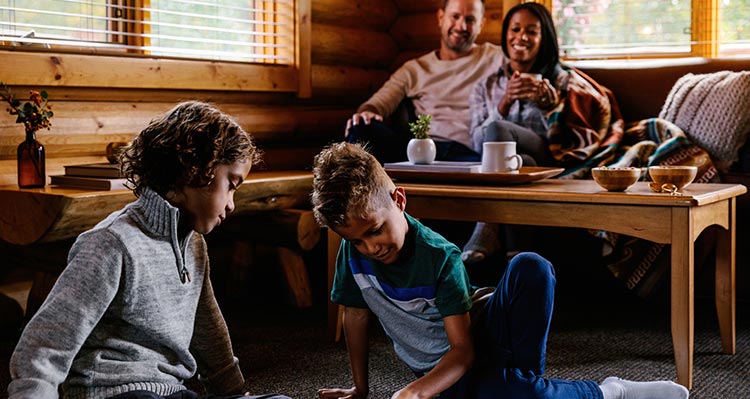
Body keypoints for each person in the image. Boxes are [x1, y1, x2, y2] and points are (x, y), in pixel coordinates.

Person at [311, 142, 689, 399]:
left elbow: (462, 350)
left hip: (471, 344)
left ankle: (526, 384)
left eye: (375, 231)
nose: (370, 247)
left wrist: (418, 391)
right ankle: (611, 392)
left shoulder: (439, 255)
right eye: (357, 240)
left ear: (399, 199)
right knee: (513, 392)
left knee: (531, 266)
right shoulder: (352, 253)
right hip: (449, 374)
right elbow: (356, 316)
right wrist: (360, 390)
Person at [8, 101, 290, 399]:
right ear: (194, 172)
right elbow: (44, 345)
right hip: (114, 393)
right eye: (231, 185)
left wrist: (236, 394)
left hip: (173, 393)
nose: (232, 203)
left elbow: (209, 333)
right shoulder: (110, 243)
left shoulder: (194, 244)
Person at [462, 2, 622, 264]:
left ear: (543, 38)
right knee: (521, 163)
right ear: (505, 35)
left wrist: (551, 108)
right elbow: (478, 143)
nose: (521, 37)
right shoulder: (486, 86)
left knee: (498, 128)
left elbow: (569, 143)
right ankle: (519, 259)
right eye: (515, 29)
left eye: (531, 31)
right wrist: (504, 103)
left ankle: (486, 225)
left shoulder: (562, 83)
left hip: (549, 157)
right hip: (525, 165)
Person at [345, 0, 505, 164]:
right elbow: (376, 104)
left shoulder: (497, 57)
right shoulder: (414, 69)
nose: (461, 26)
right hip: (420, 151)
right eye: (455, 16)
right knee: (362, 127)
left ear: (481, 24)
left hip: (470, 153)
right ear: (441, 18)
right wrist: (367, 113)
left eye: (470, 20)